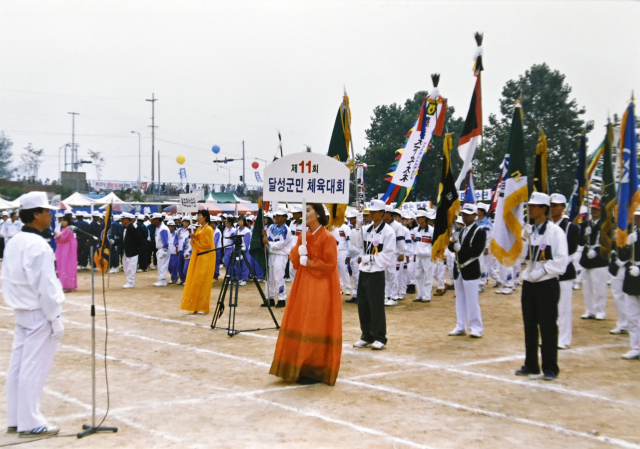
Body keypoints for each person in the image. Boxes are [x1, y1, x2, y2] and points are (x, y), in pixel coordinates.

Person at [1, 192, 63, 437]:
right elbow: (46, 287)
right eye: (47, 211)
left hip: (21, 310)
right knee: (33, 367)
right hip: (38, 312)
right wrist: (55, 317)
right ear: (36, 213)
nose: (50, 215)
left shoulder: (15, 240)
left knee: (18, 366)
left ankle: (16, 418)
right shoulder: (38, 245)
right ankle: (30, 422)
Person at [269, 203, 342, 385]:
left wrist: (308, 261)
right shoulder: (304, 236)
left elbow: (330, 265)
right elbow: (294, 260)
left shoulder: (328, 237)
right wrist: (298, 253)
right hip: (303, 284)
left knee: (314, 322)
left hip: (320, 286)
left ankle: (314, 368)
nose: (305, 213)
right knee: (302, 320)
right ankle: (299, 364)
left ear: (318, 213)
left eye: (308, 210)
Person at [517, 192, 569, 380]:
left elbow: (562, 261)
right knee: (529, 326)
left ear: (543, 209)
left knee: (547, 326)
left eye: (533, 206)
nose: (529, 208)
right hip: (530, 284)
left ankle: (550, 367)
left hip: (547, 284)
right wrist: (523, 240)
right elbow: (523, 256)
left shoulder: (556, 232)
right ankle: (531, 364)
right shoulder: (529, 230)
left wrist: (541, 272)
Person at [350, 200, 396, 350]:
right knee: (363, 305)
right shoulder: (367, 228)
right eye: (370, 212)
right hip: (364, 271)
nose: (371, 214)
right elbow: (356, 242)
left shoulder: (388, 232)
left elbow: (387, 257)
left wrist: (368, 258)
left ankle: (380, 337)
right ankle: (366, 335)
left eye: (375, 212)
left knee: (376, 306)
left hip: (376, 272)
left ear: (382, 213)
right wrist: (357, 226)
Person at [448, 204, 487, 338]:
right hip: (458, 268)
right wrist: (452, 243)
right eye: (463, 214)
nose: (464, 217)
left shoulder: (480, 231)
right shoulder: (460, 231)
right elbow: (452, 249)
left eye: (468, 214)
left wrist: (460, 249)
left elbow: (477, 251)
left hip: (470, 268)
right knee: (460, 299)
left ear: (475, 216)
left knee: (472, 300)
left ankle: (476, 327)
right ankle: (460, 326)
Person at [549, 193, 580, 349]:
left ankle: (564, 339)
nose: (552, 208)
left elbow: (571, 249)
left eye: (556, 205)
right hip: (548, 273)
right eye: (551, 205)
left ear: (563, 207)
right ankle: (551, 338)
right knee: (549, 308)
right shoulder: (546, 226)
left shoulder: (571, 227)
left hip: (564, 272)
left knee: (564, 308)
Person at [579, 197, 610, 320]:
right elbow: (580, 242)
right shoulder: (585, 224)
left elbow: (609, 242)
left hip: (599, 260)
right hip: (586, 260)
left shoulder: (606, 224)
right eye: (592, 209)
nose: (594, 211)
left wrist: (597, 252)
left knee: (600, 287)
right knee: (587, 287)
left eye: (597, 209)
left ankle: (600, 311)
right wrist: (585, 234)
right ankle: (590, 310)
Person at [180, 210, 216, 314]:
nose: (197, 217)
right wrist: (194, 238)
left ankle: (202, 307)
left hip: (206, 257)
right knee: (195, 280)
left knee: (202, 281)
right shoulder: (199, 229)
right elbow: (196, 243)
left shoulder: (209, 229)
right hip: (198, 257)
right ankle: (195, 306)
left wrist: (195, 240)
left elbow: (208, 245)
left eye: (199, 216)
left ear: (205, 217)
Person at [617, 208, 640, 360]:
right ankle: (636, 347)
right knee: (633, 316)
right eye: (636, 217)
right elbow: (624, 256)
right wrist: (626, 244)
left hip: (637, 271)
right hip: (632, 277)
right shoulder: (633, 234)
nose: (637, 220)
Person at [263, 208, 291, 308]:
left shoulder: (287, 230)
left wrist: (269, 243)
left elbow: (281, 244)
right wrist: (265, 236)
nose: (276, 218)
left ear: (284, 217)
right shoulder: (271, 227)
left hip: (280, 255)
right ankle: (269, 298)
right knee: (269, 277)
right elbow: (268, 237)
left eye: (279, 216)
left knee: (278, 277)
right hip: (271, 254)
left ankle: (281, 299)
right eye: (276, 216)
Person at [413, 210, 434, 302]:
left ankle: (426, 296)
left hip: (428, 256)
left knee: (427, 276)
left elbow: (435, 244)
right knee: (418, 275)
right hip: (418, 256)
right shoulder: (415, 230)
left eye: (419, 217)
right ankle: (420, 295)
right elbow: (414, 243)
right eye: (417, 217)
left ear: (424, 218)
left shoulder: (431, 230)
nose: (417, 219)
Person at [54, 215, 78, 292]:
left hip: (68, 249)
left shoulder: (69, 229)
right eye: (62, 221)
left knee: (67, 265)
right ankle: (63, 284)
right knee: (62, 265)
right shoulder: (63, 229)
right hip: (63, 248)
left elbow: (64, 238)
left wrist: (56, 235)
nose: (63, 222)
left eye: (64, 220)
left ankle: (67, 285)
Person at [331, 216, 352, 295]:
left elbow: (349, 240)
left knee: (343, 269)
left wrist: (349, 253)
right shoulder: (332, 228)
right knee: (335, 270)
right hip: (333, 250)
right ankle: (339, 287)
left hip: (343, 251)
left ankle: (348, 287)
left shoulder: (345, 228)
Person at [121, 213, 141, 288]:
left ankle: (131, 281)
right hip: (126, 251)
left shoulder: (132, 229)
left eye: (123, 219)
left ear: (127, 219)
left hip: (132, 252)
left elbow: (137, 240)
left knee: (131, 267)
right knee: (126, 267)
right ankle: (129, 281)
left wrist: (135, 248)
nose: (122, 221)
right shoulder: (125, 228)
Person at [151, 213, 170, 287]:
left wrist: (165, 250)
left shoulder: (163, 228)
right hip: (160, 249)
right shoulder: (159, 228)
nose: (152, 221)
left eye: (153, 219)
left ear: (157, 220)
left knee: (162, 265)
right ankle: (161, 280)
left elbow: (165, 240)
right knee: (160, 264)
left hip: (163, 249)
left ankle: (162, 280)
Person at [167, 220, 181, 284]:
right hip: (168, 252)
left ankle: (174, 278)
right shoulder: (166, 233)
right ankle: (175, 275)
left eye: (172, 226)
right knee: (169, 267)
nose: (171, 227)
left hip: (174, 252)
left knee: (174, 265)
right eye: (170, 226)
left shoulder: (176, 233)